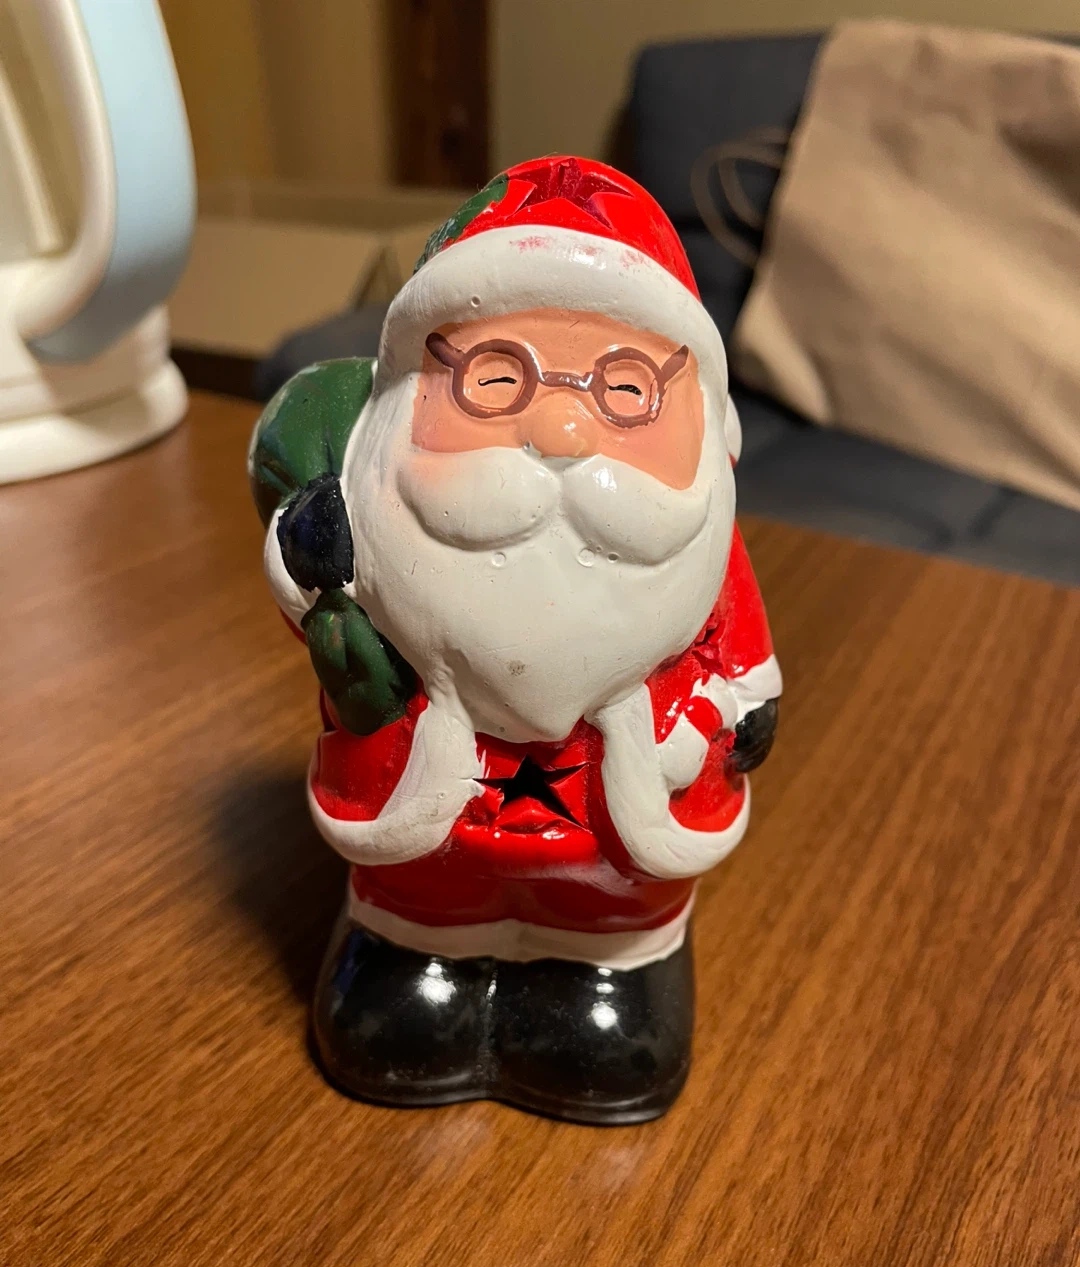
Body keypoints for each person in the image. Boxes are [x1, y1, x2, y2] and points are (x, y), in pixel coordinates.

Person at [249, 155, 781, 1123]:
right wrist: (313, 555)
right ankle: (416, 958)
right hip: (424, 796)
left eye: (627, 390)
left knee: (612, 944)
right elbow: (315, 597)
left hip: (624, 806)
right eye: (497, 379)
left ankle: (606, 976)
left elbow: (738, 640)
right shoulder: (368, 507)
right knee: (418, 921)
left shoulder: (697, 538)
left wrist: (749, 700)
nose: (563, 427)